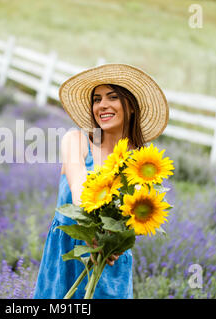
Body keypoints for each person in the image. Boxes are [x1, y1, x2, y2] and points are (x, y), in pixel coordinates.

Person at [33, 64, 169, 299]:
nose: (102, 105)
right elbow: (79, 191)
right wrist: (94, 234)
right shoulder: (76, 141)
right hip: (67, 256)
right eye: (97, 99)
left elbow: (138, 222)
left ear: (132, 107)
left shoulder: (141, 166)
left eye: (113, 97)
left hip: (109, 266)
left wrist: (115, 243)